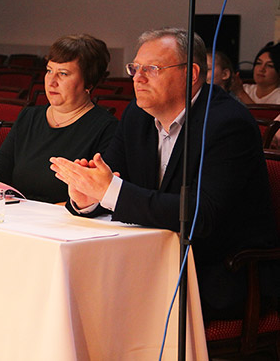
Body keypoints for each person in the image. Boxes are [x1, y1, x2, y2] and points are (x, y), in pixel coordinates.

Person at [49, 28, 279, 319]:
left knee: (94, 303)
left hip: (217, 273)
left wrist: (109, 192)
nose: (138, 78)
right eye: (135, 69)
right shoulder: (137, 115)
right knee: (65, 293)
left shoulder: (228, 123)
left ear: (191, 74)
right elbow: (111, 181)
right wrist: (88, 198)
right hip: (149, 262)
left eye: (152, 69)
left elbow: (202, 214)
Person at [0, 34, 117, 203]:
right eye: (49, 71)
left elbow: (99, 194)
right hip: (22, 211)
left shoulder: (107, 128)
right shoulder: (29, 117)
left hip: (67, 215)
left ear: (88, 83)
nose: (51, 81)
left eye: (63, 74)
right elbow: (1, 165)